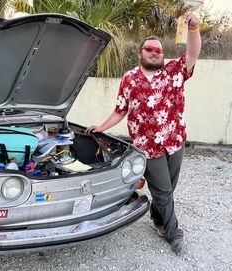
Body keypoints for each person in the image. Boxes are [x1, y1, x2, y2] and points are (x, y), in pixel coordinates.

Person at [86, 14, 201, 255]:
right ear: (140, 53)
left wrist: (194, 29)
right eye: (149, 48)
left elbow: (192, 54)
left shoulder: (173, 71)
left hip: (175, 141)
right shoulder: (129, 78)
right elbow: (121, 109)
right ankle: (174, 233)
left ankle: (157, 219)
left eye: (158, 49)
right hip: (148, 147)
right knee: (162, 190)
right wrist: (102, 127)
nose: (155, 52)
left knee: (169, 187)